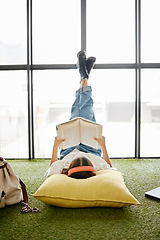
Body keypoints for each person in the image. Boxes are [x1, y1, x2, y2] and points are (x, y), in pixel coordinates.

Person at [46, 50, 114, 179]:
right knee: (85, 111)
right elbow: (110, 169)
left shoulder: (62, 166)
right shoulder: (97, 164)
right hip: (91, 147)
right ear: (90, 164)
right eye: (84, 159)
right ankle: (84, 76)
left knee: (77, 111)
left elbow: (52, 169)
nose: (80, 156)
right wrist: (103, 146)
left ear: (70, 166)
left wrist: (55, 147)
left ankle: (84, 76)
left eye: (77, 159)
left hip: (68, 147)